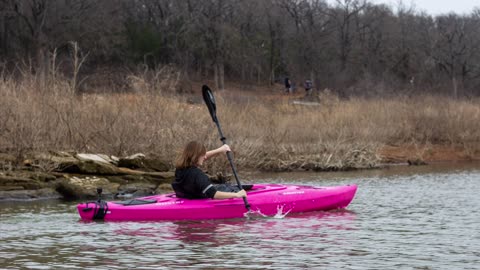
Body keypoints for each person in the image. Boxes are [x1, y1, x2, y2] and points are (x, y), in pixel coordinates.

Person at [172, 141, 247, 199]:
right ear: (195, 156)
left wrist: (220, 150)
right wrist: (237, 195)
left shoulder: (180, 167)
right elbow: (213, 194)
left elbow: (204, 156)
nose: (205, 157)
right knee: (230, 188)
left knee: (244, 187)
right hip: (202, 196)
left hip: (187, 196)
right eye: (202, 155)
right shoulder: (197, 174)